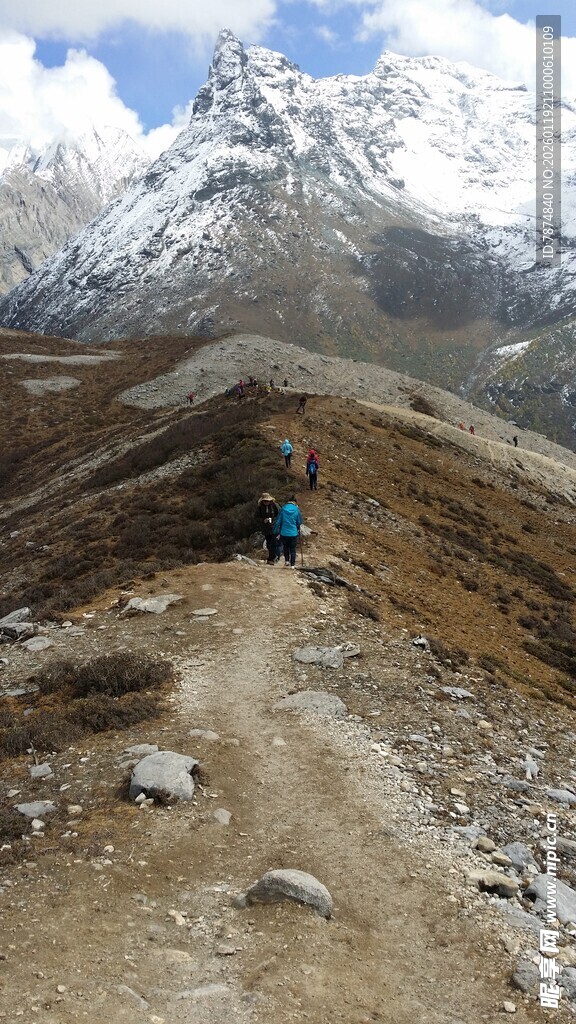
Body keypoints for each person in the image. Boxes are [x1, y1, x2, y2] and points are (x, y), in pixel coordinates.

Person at [274, 495, 302, 568]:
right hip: (293, 532)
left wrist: (274, 531)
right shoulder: (296, 509)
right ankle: (292, 565)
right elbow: (299, 522)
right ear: (295, 502)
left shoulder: (283, 509)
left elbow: (278, 521)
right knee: (293, 549)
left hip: (284, 532)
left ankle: (286, 561)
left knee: (286, 547)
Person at [257, 493, 280, 565]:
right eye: (264, 501)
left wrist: (273, 520)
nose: (266, 502)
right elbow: (256, 517)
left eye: (267, 501)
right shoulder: (260, 507)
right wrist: (263, 520)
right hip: (266, 528)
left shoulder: (275, 505)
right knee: (269, 543)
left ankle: (271, 559)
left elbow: (279, 515)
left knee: (273, 543)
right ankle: (273, 557)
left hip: (274, 527)